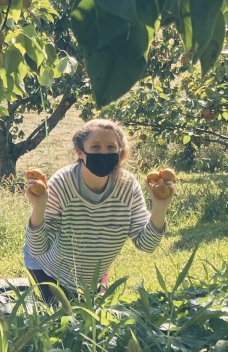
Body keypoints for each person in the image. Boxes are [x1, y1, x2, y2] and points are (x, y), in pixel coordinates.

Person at [24, 119, 172, 300]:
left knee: (92, 325)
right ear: (80, 152)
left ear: (120, 151)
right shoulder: (63, 183)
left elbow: (146, 244)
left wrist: (159, 207)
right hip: (48, 270)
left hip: (92, 277)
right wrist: (39, 207)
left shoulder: (127, 186)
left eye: (111, 147)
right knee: (61, 323)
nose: (104, 153)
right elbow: (38, 247)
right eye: (95, 147)